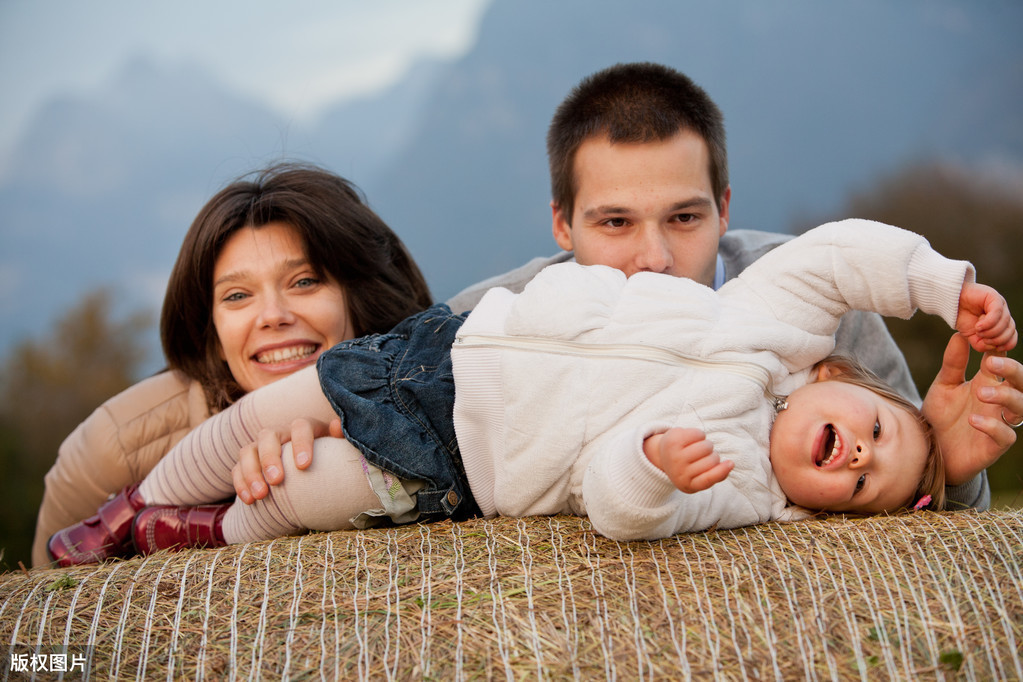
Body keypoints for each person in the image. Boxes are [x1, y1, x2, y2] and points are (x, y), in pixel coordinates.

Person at [47, 219, 1016, 564]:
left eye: (867, 483)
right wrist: (946, 287)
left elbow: (614, 503)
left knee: (300, 495)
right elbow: (844, 256)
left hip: (462, 468)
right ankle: (141, 507)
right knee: (270, 415)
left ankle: (193, 541)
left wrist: (649, 468)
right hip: (457, 352)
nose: (860, 456)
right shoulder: (771, 325)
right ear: (839, 377)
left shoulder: (740, 492)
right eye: (875, 433)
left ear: (833, 513)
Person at [33, 162, 432, 567]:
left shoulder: (429, 388)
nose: (272, 315)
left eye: (304, 281)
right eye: (237, 296)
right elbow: (42, 609)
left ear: (358, 300)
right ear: (214, 336)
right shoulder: (114, 447)